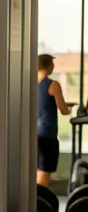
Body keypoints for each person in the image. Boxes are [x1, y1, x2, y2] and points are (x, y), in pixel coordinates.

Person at [38, 53, 71, 189]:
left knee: (37, 170)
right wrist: (71, 109)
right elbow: (63, 110)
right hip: (48, 135)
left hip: (34, 134)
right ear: (49, 66)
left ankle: (35, 204)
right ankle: (39, 204)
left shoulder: (30, 84)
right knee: (44, 173)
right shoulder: (53, 85)